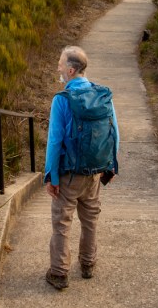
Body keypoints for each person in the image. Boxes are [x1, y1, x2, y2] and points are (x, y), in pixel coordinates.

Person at [43, 46, 120, 290]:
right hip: (95, 172)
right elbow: (114, 132)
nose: (57, 67)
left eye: (60, 63)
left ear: (71, 69)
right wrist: (111, 166)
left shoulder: (62, 100)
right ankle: (87, 265)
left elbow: (54, 141)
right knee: (90, 221)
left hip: (68, 175)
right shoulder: (102, 95)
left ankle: (59, 273)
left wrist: (51, 176)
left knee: (62, 223)